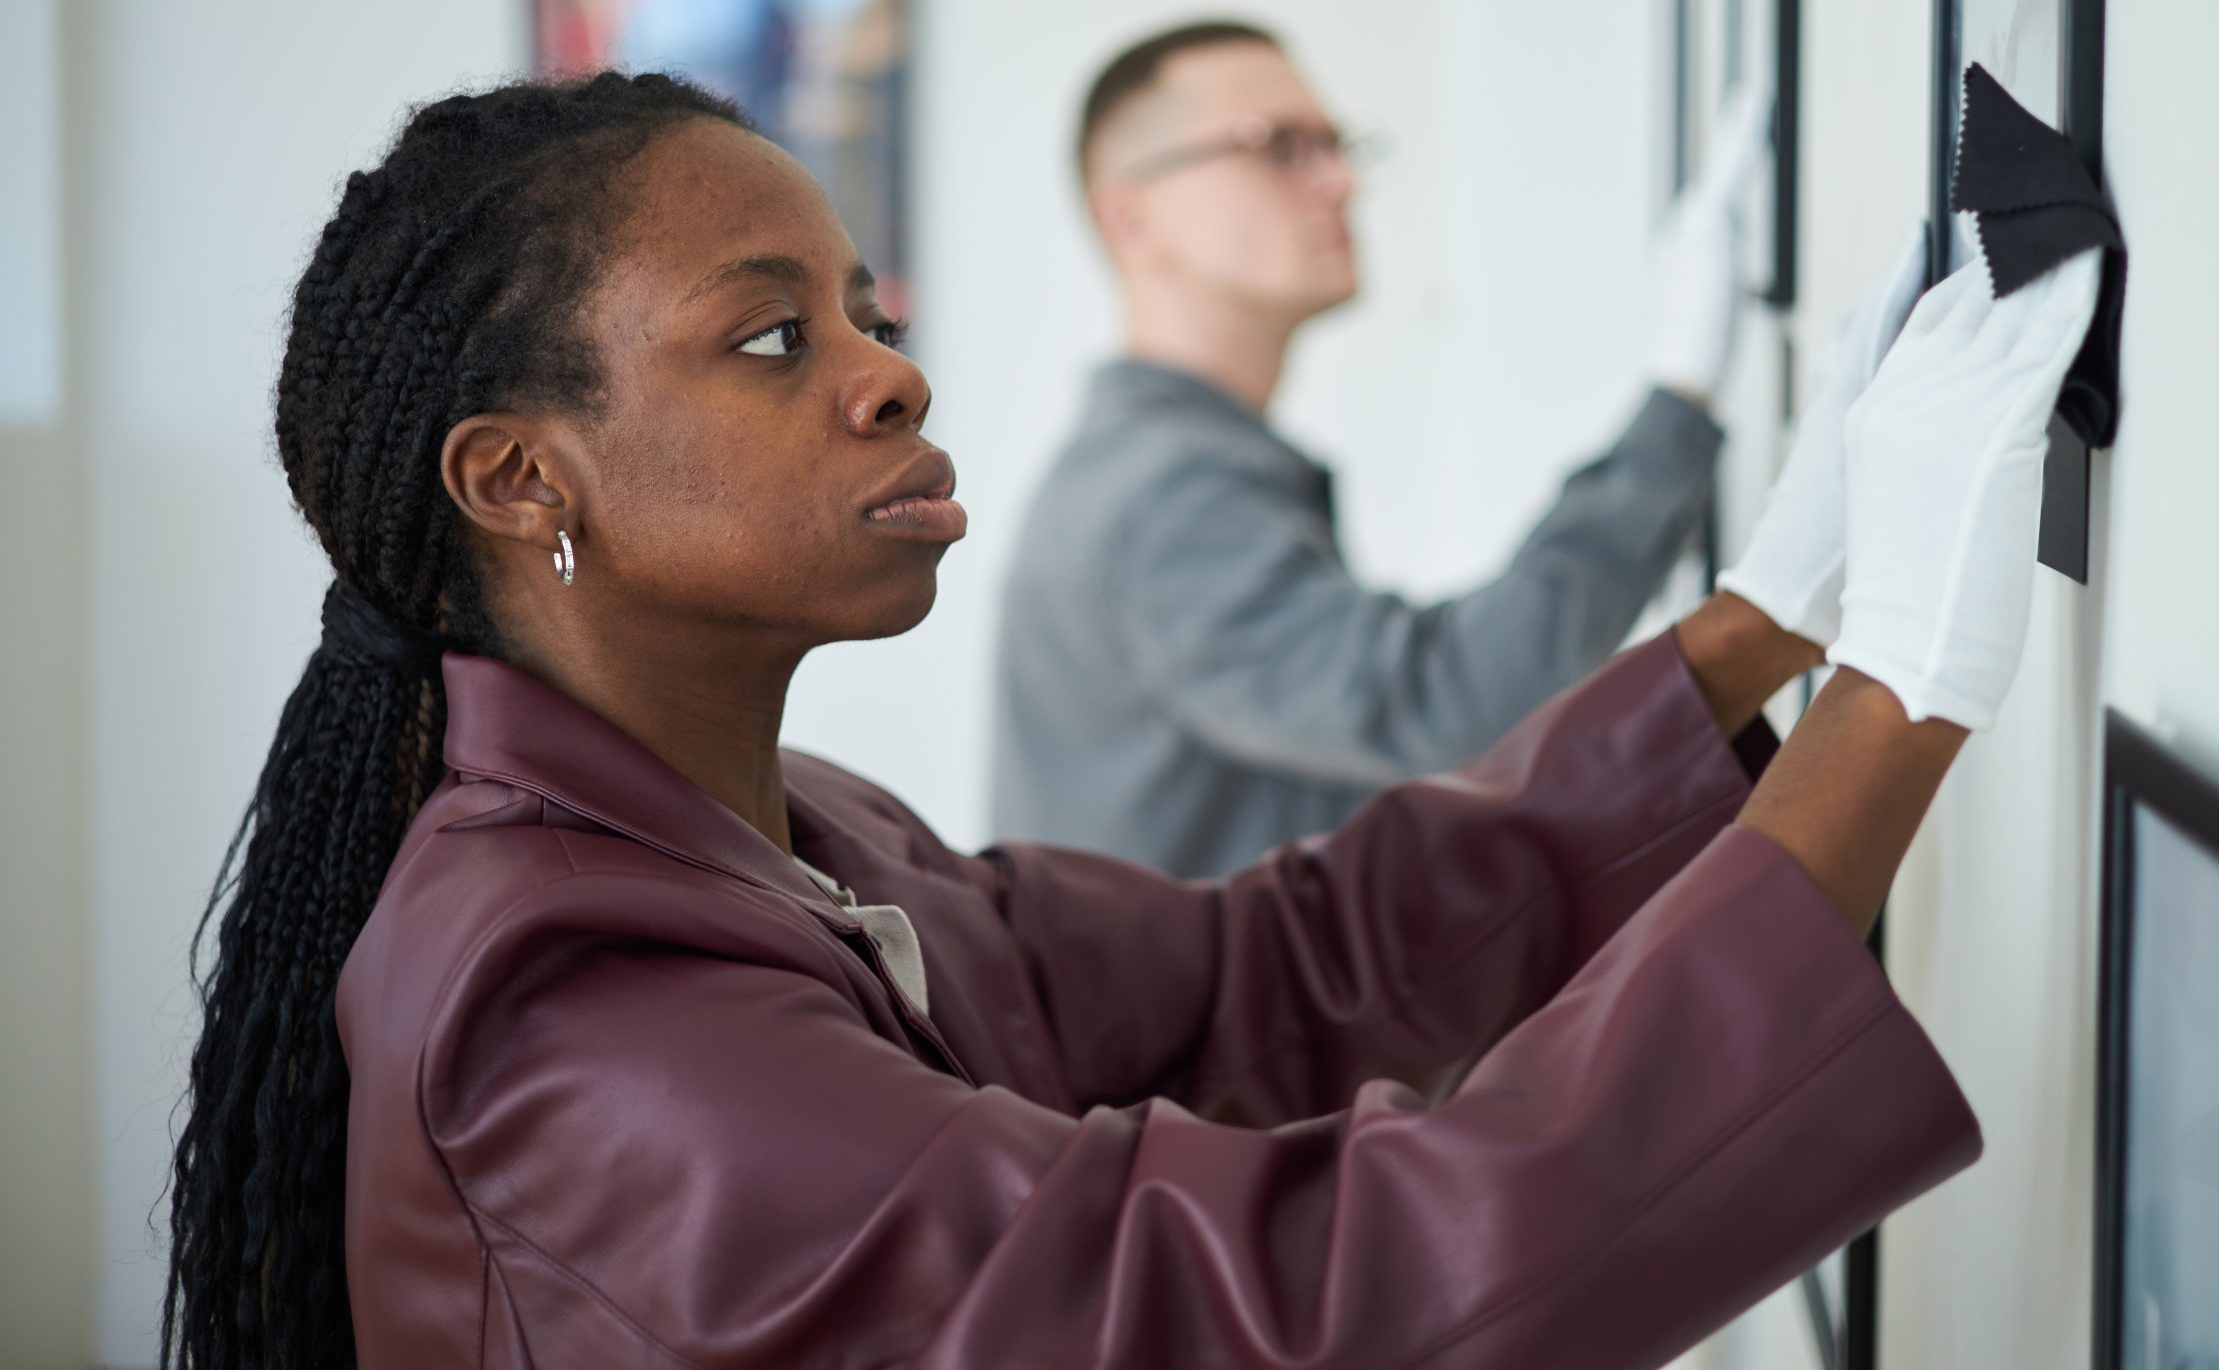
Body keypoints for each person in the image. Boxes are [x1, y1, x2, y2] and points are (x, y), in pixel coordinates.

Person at [161, 72, 2099, 1368]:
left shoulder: (795, 830)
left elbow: (1288, 958)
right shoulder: (586, 1034)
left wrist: (1769, 609)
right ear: (519, 479)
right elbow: (1321, 1311)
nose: (888, 378)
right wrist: (1900, 680)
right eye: (773, 338)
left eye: (864, 310)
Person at [995, 18, 1771, 876]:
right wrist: (1681, 393)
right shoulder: (1166, 495)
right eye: (1280, 147)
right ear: (1132, 216)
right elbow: (1453, 697)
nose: (1339, 183)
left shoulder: (1147, 468)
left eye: (1336, 144)